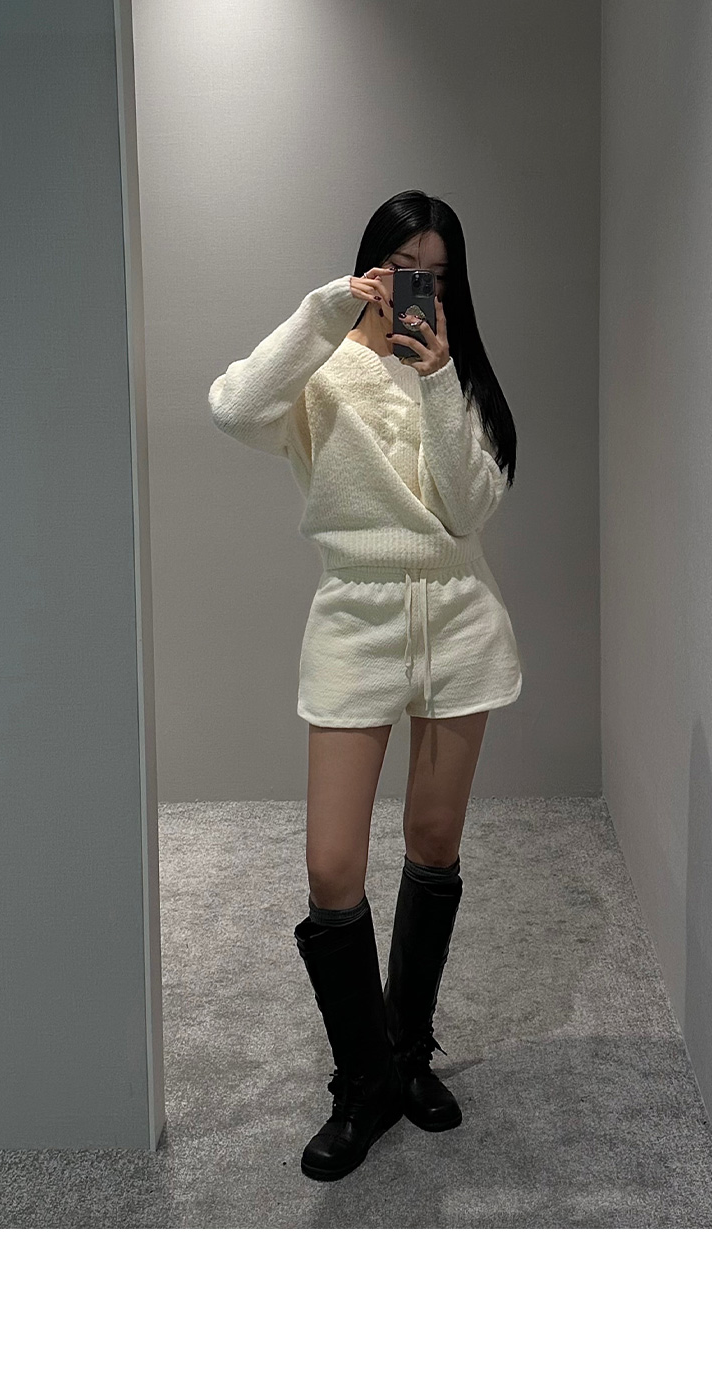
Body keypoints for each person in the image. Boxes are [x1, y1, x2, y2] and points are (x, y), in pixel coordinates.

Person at [208, 189, 522, 1181]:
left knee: (433, 843)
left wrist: (439, 383)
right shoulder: (320, 371)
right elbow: (233, 408)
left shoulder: (459, 378)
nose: (416, 288)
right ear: (371, 268)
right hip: (355, 619)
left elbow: (467, 510)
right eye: (400, 268)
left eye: (436, 273)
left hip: (458, 619)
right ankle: (365, 1077)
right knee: (332, 868)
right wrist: (327, 309)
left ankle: (406, 1051)